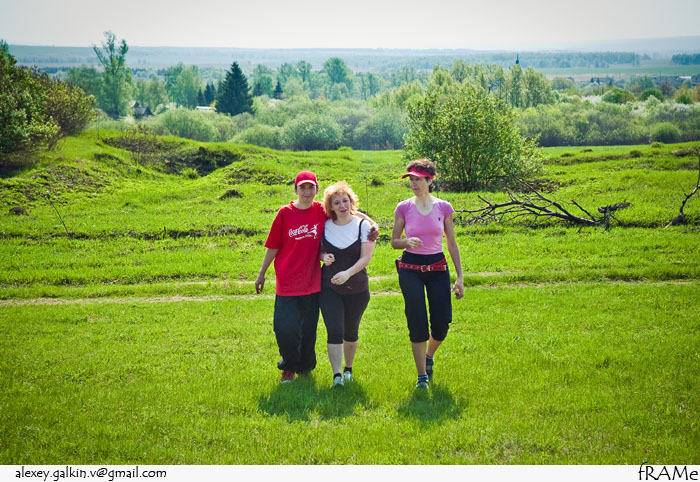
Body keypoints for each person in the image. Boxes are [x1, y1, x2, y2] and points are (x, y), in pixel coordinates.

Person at [255, 171, 378, 384]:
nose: (306, 191)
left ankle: (304, 368)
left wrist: (372, 223)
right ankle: (288, 366)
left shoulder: (321, 211)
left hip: (312, 282)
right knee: (284, 327)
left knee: (308, 329)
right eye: (302, 187)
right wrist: (262, 273)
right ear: (295, 189)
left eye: (310, 187)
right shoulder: (285, 213)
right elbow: (273, 246)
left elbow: (349, 212)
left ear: (316, 190)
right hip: (287, 281)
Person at [390, 159, 464, 389]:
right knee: (417, 321)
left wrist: (460, 277)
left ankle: (428, 356)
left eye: (418, 179)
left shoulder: (444, 207)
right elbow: (394, 241)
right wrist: (406, 242)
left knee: (442, 323)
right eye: (411, 179)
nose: (413, 184)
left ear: (430, 180)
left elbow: (451, 243)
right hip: (410, 268)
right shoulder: (403, 207)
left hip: (438, 267)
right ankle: (422, 375)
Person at [319, 181, 375, 388]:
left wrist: (348, 273)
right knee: (334, 330)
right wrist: (323, 256)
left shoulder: (364, 226)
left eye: (345, 201)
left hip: (357, 289)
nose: (342, 205)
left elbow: (366, 258)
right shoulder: (324, 225)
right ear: (330, 207)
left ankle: (348, 369)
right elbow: (318, 250)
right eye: (337, 203)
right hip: (329, 288)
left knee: (350, 332)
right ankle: (337, 376)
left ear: (352, 202)